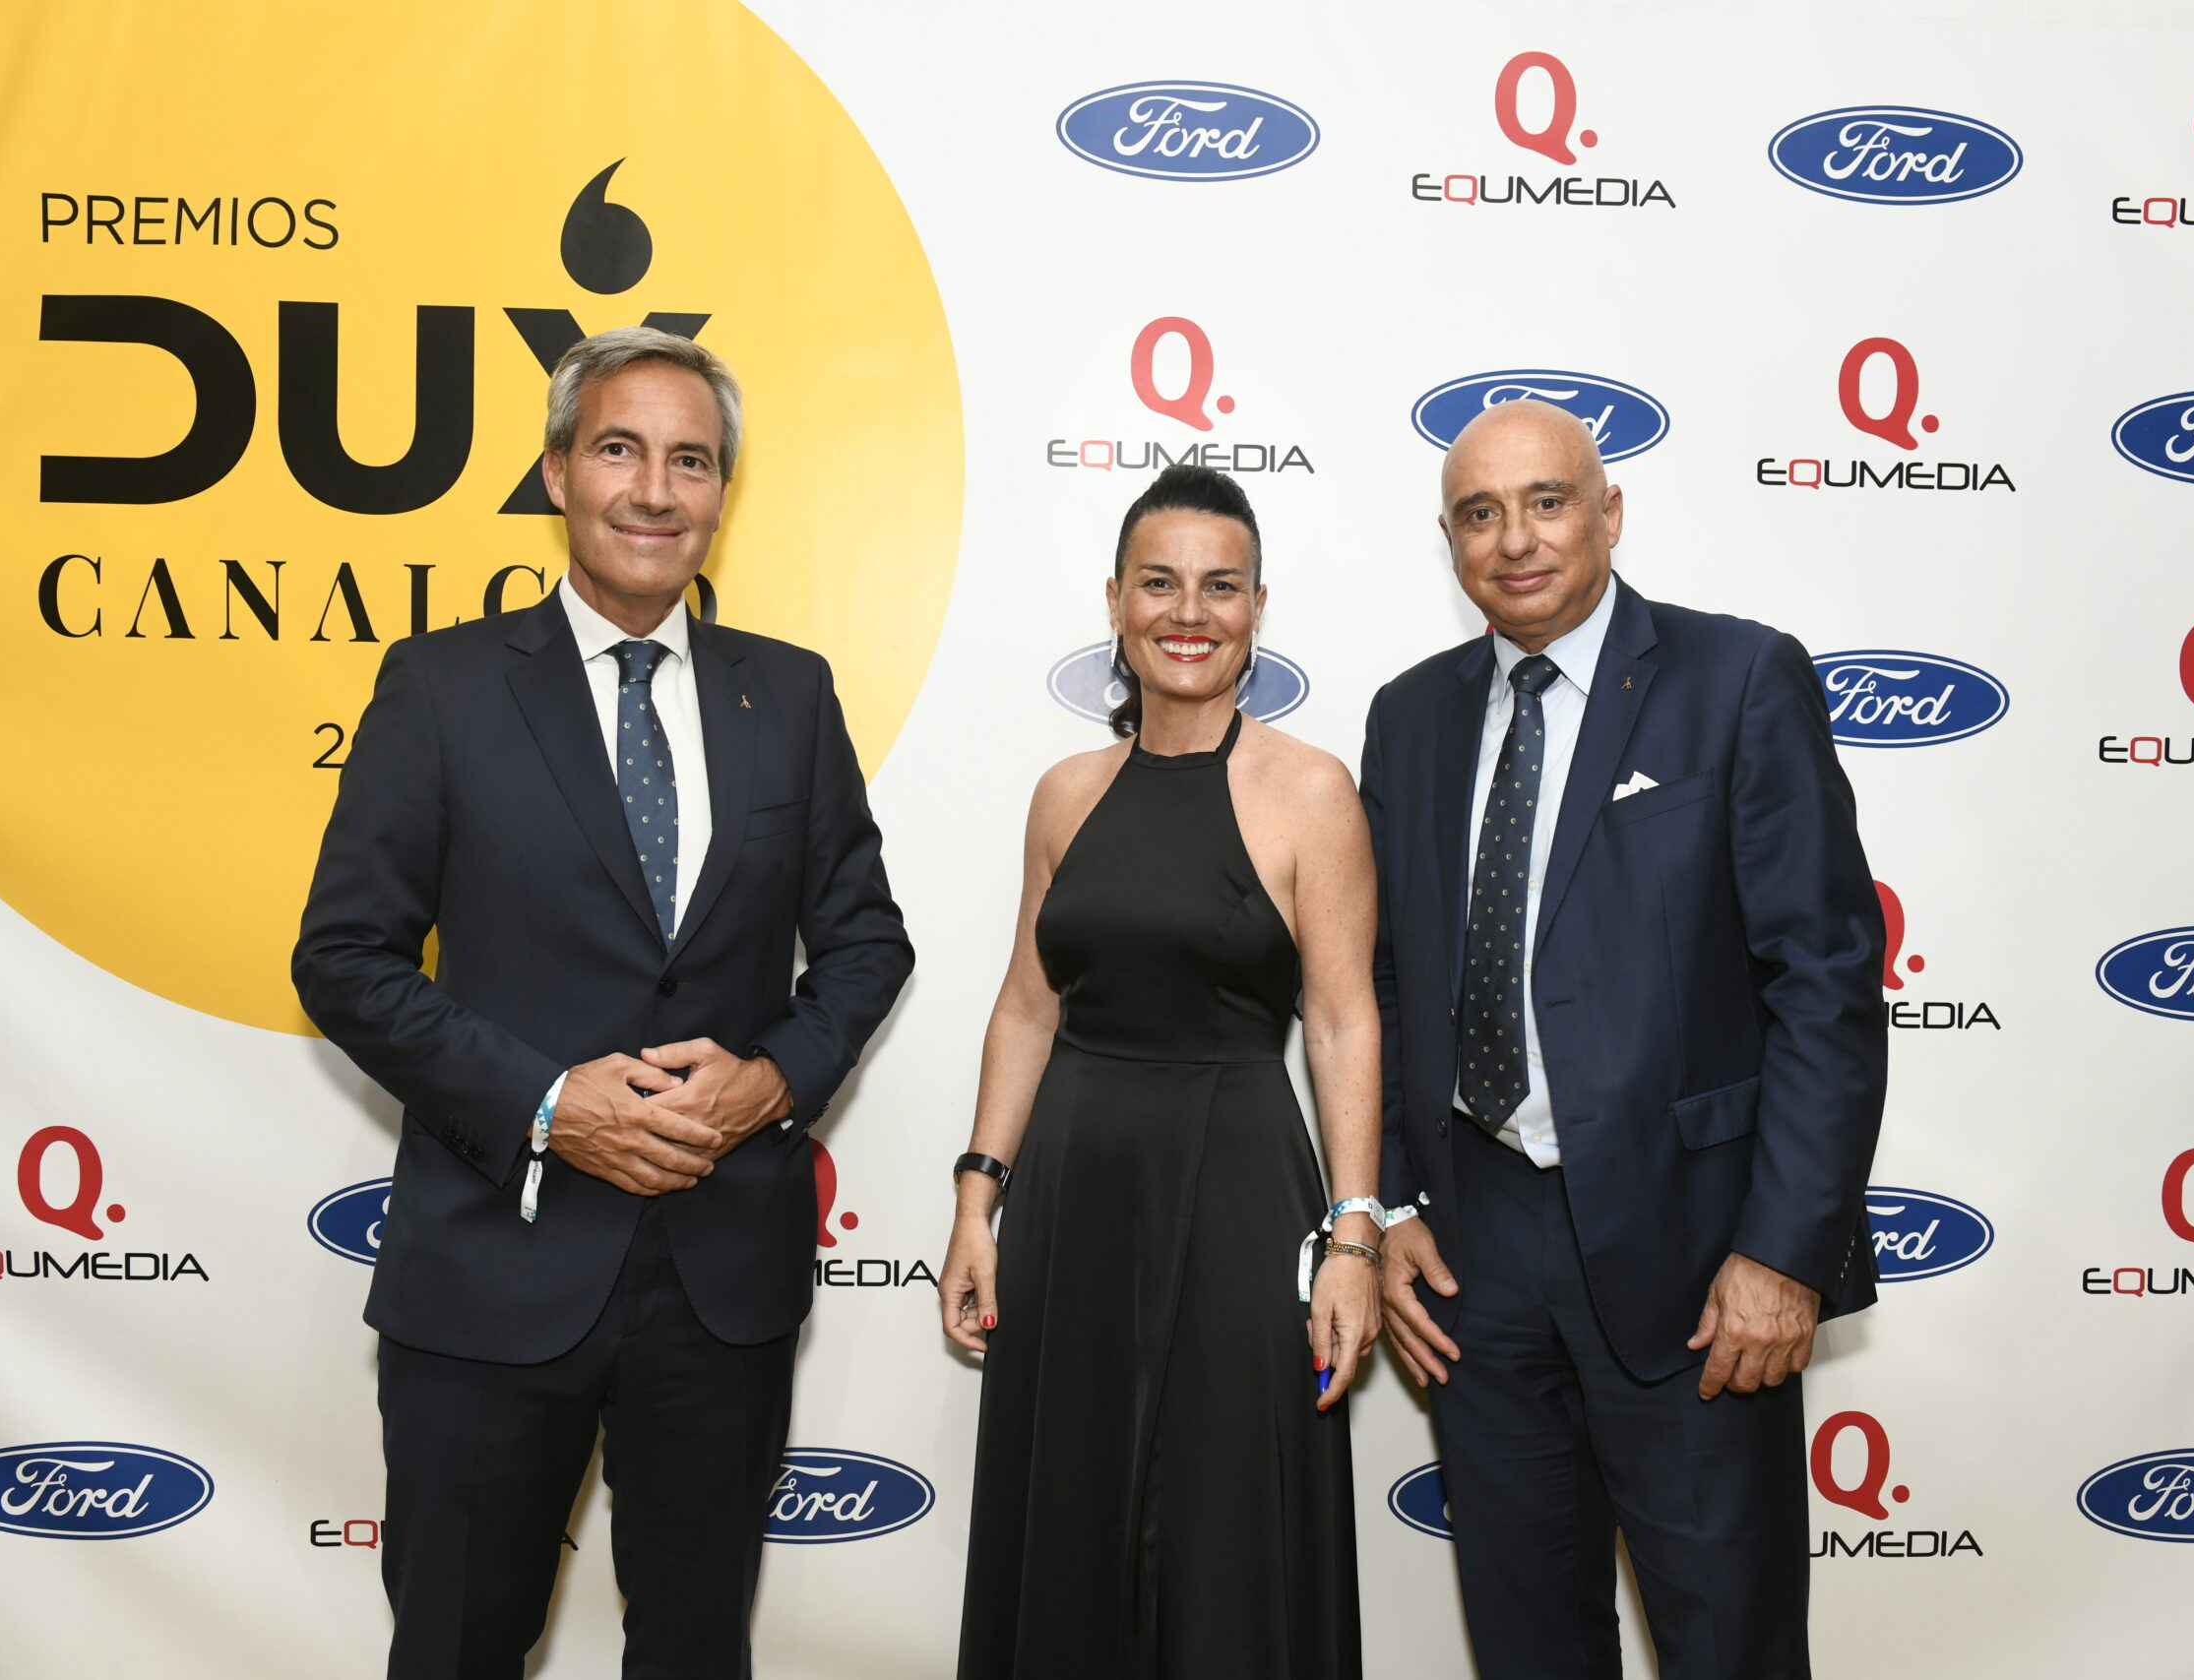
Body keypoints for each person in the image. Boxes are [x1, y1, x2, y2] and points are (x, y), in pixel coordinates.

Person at [293, 326, 912, 1678]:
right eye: (620, 450)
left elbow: (867, 941)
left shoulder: (788, 695)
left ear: (722, 491)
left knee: (695, 1651)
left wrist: (770, 1081)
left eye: (690, 460)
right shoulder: (443, 687)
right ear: (557, 471)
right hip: (492, 1271)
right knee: (456, 1648)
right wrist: (547, 1101)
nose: (653, 490)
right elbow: (344, 958)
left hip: (721, 1280)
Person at [1362, 401, 1888, 1679]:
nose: (1515, 539)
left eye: (1546, 501)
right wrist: (1392, 1198)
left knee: (1726, 1644)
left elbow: (1824, 983)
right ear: (1448, 539)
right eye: (1479, 514)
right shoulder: (1409, 717)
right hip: (1476, 1261)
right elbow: (1384, 981)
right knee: (1528, 1645)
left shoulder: (1739, 679)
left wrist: (1782, 1252)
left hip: (1697, 1260)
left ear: (1609, 512)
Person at [940, 465, 1381, 1680]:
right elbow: (1027, 1006)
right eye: (1160, 583)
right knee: (1070, 1507)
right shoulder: (1064, 794)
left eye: (1220, 587)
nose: (1190, 612)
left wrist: (1353, 1235)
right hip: (1071, 1190)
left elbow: (1341, 1021)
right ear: (1115, 602)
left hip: (1238, 1188)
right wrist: (978, 1200)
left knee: (1225, 1517)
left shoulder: (1311, 792)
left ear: (1257, 609)